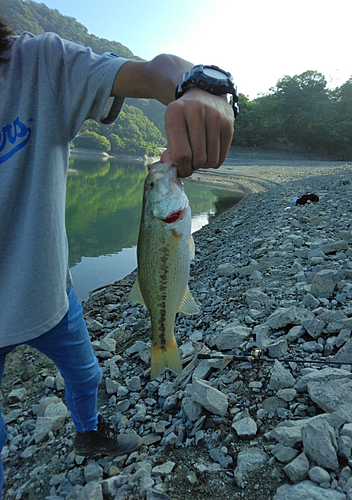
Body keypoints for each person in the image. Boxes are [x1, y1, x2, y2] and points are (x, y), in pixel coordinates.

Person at [0, 18, 235, 497]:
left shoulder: (35, 62)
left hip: (52, 293)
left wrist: (202, 86)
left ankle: (88, 434)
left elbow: (155, 72)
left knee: (87, 372)